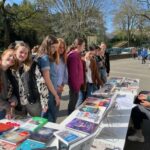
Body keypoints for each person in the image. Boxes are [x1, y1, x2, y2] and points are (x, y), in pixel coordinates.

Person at [12, 42, 48, 117]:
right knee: (20, 126)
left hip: (33, 101)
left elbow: (41, 83)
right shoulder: (11, 67)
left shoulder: (33, 65)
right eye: (21, 52)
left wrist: (44, 102)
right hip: (18, 104)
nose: (23, 55)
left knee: (37, 124)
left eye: (26, 53)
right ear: (15, 52)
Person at [37, 35, 61, 122]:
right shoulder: (45, 58)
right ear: (47, 45)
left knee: (49, 116)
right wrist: (55, 95)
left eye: (56, 47)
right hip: (49, 93)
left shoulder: (48, 57)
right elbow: (47, 79)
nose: (55, 50)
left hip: (51, 91)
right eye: (53, 47)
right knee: (50, 117)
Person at [67, 38, 85, 114]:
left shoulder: (76, 55)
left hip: (77, 85)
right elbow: (73, 74)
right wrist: (76, 87)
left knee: (73, 103)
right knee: (72, 104)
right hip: (75, 86)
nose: (84, 47)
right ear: (78, 46)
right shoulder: (74, 56)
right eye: (83, 45)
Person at [0, 49, 17, 119]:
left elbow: (10, 92)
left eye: (14, 57)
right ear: (3, 56)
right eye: (10, 55)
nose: (12, 58)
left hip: (3, 111)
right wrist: (8, 107)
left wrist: (14, 100)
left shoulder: (9, 73)